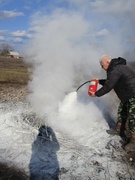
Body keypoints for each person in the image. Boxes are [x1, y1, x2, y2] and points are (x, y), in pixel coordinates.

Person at [90, 55, 135, 152]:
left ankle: (133, 142)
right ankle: (119, 130)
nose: (102, 68)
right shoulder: (116, 68)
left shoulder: (115, 70)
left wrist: (96, 94)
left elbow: (108, 86)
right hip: (127, 96)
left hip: (133, 95)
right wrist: (99, 81)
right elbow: (111, 81)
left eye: (102, 65)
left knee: (132, 119)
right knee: (122, 113)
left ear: (107, 62)